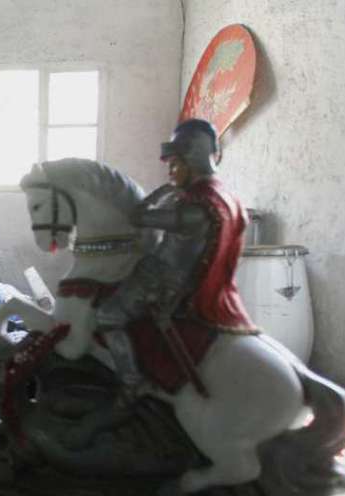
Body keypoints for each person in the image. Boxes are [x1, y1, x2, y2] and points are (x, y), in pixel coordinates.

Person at [95, 118, 254, 400]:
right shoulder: (226, 197)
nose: (169, 169)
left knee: (106, 314)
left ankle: (132, 383)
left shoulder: (196, 208)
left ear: (190, 158)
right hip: (193, 279)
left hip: (166, 282)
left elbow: (137, 216)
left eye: (173, 163)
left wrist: (165, 189)